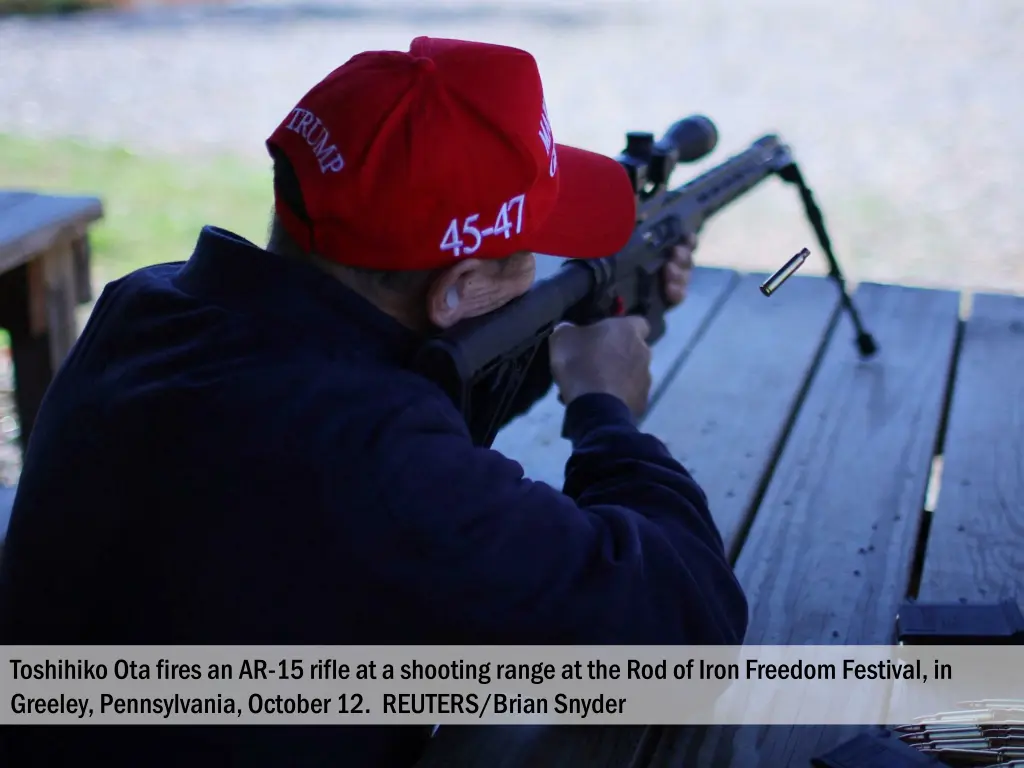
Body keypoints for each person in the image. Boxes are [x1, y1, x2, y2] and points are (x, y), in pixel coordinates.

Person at [0, 37, 747, 767]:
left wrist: (576, 319)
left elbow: (392, 373)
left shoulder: (150, 308)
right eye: (530, 256)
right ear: (456, 289)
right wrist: (605, 410)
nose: (543, 268)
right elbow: (684, 635)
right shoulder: (378, 458)